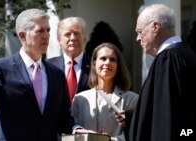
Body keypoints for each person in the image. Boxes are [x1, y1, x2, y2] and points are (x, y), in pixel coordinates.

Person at [0, 9, 79, 141]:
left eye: (48, 30)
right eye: (40, 31)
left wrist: (76, 129)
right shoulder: (0, 68)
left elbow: (63, 117)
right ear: (22, 35)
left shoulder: (56, 74)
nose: (46, 35)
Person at [129, 4, 196, 141]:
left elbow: (165, 119)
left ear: (155, 27)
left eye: (140, 31)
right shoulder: (188, 54)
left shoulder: (168, 59)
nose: (137, 38)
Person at [71, 43, 139, 141]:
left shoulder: (132, 99)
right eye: (103, 58)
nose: (107, 63)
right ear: (94, 64)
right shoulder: (79, 99)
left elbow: (136, 134)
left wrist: (108, 140)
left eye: (112, 59)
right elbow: (73, 132)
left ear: (118, 66)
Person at [47, 17, 90, 102]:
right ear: (59, 40)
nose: (73, 38)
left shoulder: (95, 65)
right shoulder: (47, 66)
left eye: (77, 33)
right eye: (67, 34)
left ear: (84, 38)